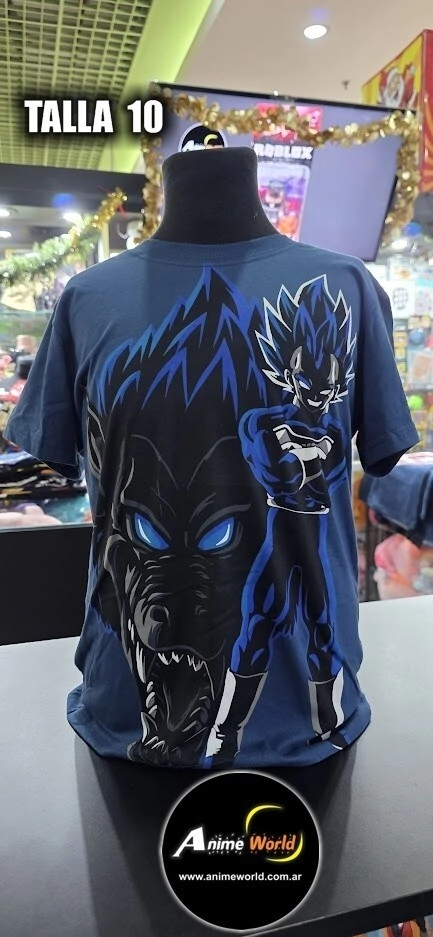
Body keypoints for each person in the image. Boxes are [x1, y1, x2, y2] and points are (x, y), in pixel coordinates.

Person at [4, 146, 418, 769]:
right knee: (256, 632)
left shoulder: (347, 287)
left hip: (315, 722)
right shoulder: (86, 299)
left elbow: (365, 452)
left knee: (277, 631)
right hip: (120, 713)